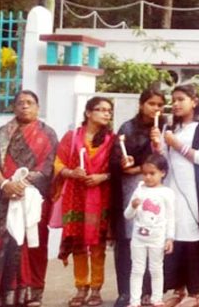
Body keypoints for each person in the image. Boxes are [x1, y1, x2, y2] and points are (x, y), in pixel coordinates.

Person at [0, 91, 58, 307]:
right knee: (1, 245)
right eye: (20, 103)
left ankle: (31, 294)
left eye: (30, 103)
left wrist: (22, 185)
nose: (25, 106)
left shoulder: (48, 135)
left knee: (32, 245)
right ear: (14, 107)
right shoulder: (1, 134)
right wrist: (6, 185)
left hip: (32, 200)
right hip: (2, 199)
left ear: (38, 107)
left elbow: (48, 166)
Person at [156, 84, 199, 307]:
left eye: (181, 99)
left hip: (195, 194)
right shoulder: (172, 128)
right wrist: (159, 143)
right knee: (173, 240)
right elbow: (165, 162)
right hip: (171, 192)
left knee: (192, 242)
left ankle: (194, 294)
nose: (175, 104)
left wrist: (175, 144)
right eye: (173, 99)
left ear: (194, 102)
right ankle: (178, 290)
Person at [54, 96, 116, 307]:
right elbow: (57, 164)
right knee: (79, 244)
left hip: (102, 196)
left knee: (98, 246)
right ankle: (81, 287)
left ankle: (96, 289)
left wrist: (102, 177)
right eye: (100, 109)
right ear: (88, 113)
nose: (106, 113)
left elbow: (117, 170)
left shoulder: (113, 140)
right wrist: (72, 172)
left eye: (109, 110)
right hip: (76, 196)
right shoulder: (72, 137)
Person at [110, 88, 166, 307]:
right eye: (151, 104)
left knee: (153, 236)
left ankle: (149, 291)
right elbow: (117, 160)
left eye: (160, 105)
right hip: (132, 187)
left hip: (157, 189)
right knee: (129, 237)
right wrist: (127, 166)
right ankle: (126, 290)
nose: (156, 109)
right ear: (141, 104)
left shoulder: (163, 126)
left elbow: (164, 162)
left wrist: (157, 143)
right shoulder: (128, 127)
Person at [124, 153, 176, 307]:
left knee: (156, 269)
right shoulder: (139, 190)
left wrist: (170, 238)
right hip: (139, 239)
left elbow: (171, 217)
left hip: (157, 239)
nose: (148, 177)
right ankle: (134, 301)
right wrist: (133, 206)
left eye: (152, 173)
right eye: (144, 174)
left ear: (163, 173)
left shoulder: (167, 193)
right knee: (137, 269)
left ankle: (156, 299)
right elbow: (127, 215)